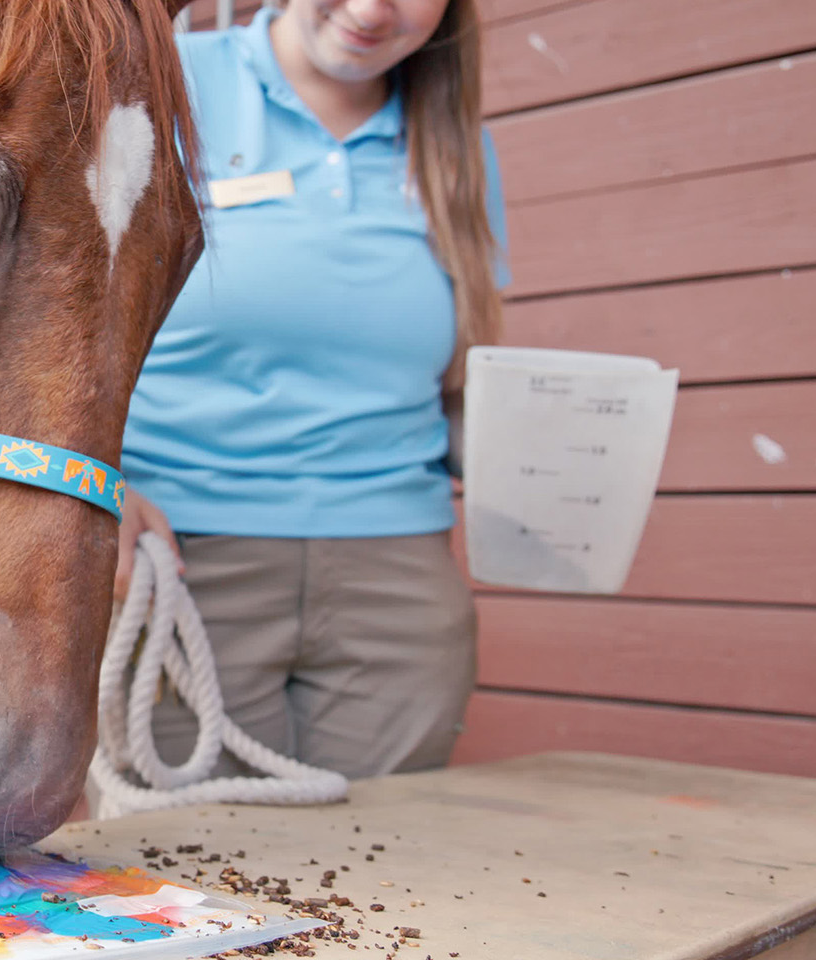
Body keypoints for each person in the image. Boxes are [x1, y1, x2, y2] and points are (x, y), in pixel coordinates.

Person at [114, 0, 510, 781]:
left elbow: (457, 379)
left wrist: (561, 469)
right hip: (185, 565)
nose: (370, 10)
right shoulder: (164, 81)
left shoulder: (460, 146)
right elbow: (38, 305)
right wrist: (94, 479)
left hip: (398, 588)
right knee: (195, 886)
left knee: (389, 878)